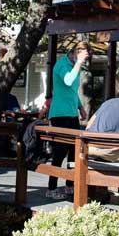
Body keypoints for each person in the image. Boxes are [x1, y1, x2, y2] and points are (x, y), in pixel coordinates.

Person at [44, 41, 90, 199]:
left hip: (71, 113)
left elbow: (72, 91)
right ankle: (51, 188)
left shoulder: (75, 65)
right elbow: (68, 81)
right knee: (60, 151)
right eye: (83, 56)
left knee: (74, 150)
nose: (84, 60)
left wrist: (80, 107)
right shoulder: (62, 65)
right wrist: (78, 62)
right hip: (59, 114)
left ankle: (70, 185)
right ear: (75, 53)